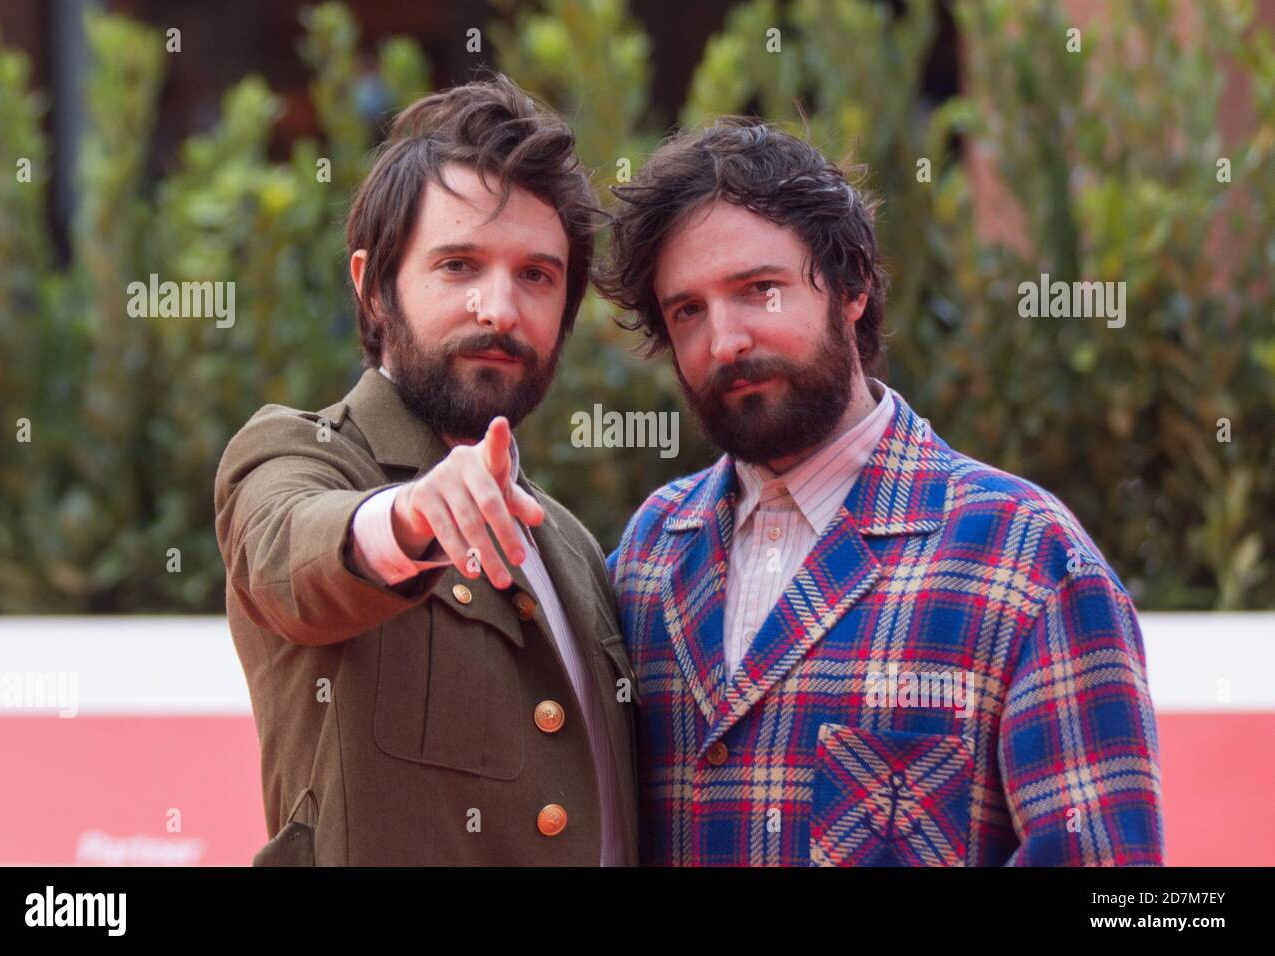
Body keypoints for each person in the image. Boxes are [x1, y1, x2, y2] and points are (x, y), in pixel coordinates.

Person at [597, 118, 1164, 866]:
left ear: (854, 287)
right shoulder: (648, 556)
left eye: (760, 290)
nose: (724, 340)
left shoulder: (1029, 563)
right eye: (688, 311)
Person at [214, 75, 637, 865]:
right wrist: (409, 517)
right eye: (458, 265)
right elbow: (291, 552)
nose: (499, 310)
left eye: (536, 277)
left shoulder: (574, 548)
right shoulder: (296, 455)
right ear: (373, 288)